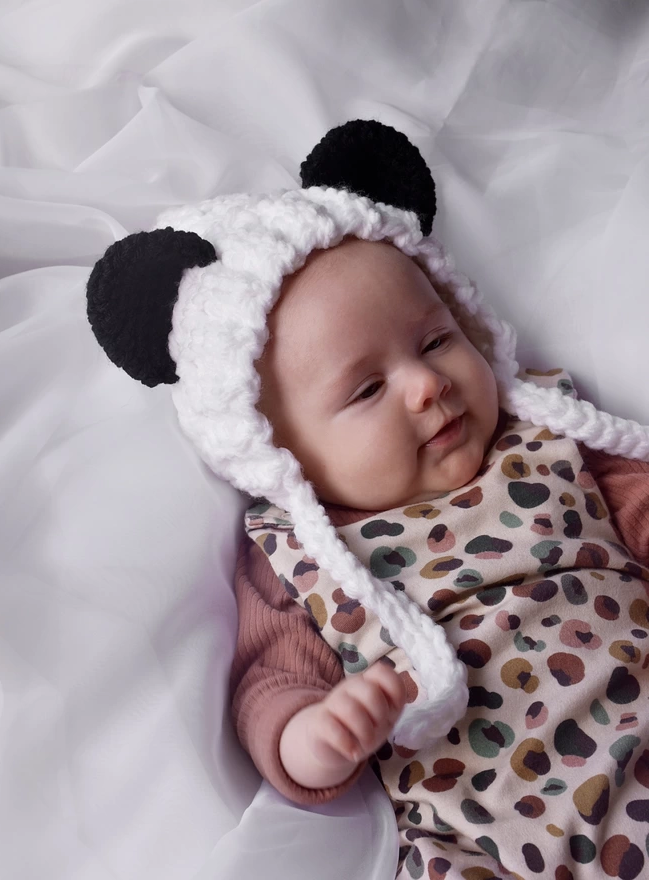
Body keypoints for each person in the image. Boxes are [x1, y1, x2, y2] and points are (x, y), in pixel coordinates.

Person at [86, 120, 649, 879]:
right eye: (367, 389)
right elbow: (271, 680)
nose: (427, 385)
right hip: (489, 835)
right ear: (278, 450)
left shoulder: (547, 437)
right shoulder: (304, 556)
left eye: (436, 341)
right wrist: (314, 735)